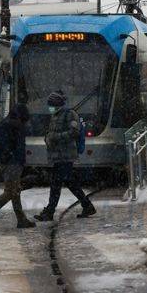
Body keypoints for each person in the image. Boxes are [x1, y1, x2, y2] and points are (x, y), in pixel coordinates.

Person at [35, 91, 96, 221]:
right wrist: (48, 138)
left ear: (57, 104)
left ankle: (50, 211)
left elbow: (74, 132)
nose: (49, 108)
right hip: (57, 155)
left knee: (56, 183)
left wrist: (55, 137)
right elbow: (51, 132)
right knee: (69, 182)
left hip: (66, 155)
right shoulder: (55, 115)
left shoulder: (70, 114)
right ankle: (87, 205)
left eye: (51, 105)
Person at [0, 104, 36, 229]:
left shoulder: (4, 124)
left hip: (5, 162)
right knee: (11, 192)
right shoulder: (15, 127)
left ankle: (21, 219)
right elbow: (21, 140)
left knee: (15, 190)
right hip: (13, 162)